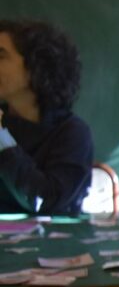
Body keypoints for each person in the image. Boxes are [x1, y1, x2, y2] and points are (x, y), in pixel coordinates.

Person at [0, 19, 93, 215]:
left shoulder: (72, 133)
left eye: (1, 56)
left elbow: (45, 202)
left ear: (36, 67)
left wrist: (2, 140)